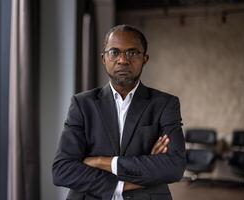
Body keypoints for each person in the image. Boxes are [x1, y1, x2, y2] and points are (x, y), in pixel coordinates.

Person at [52, 24, 186, 200]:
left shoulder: (165, 104)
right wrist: (131, 180)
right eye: (114, 52)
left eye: (132, 53)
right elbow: (62, 170)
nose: (123, 60)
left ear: (145, 59)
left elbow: (174, 167)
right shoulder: (82, 104)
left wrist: (102, 162)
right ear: (103, 58)